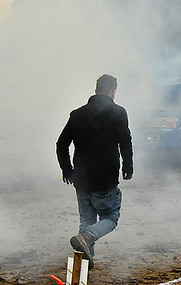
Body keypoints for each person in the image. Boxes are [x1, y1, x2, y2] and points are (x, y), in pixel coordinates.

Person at [56, 74, 133, 270]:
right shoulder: (118, 113)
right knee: (111, 218)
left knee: (87, 219)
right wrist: (128, 167)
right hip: (105, 181)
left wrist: (67, 169)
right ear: (113, 92)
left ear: (96, 90)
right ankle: (88, 237)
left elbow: (61, 144)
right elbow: (125, 141)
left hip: (81, 180)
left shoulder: (77, 114)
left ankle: (83, 267)